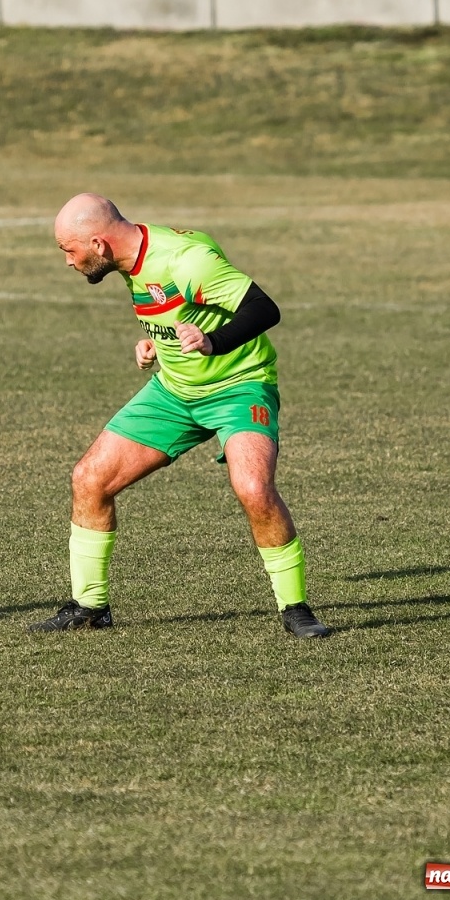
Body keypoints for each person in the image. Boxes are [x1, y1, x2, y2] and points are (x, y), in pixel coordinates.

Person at [32, 194, 331, 639]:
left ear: (98, 242)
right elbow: (174, 312)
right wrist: (156, 344)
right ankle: (89, 606)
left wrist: (215, 342)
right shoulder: (131, 261)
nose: (68, 261)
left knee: (253, 489)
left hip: (239, 386)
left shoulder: (187, 259)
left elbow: (265, 308)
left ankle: (296, 608)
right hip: (175, 391)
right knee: (90, 478)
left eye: (68, 250)